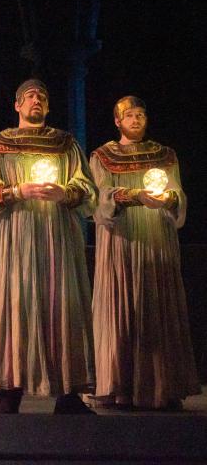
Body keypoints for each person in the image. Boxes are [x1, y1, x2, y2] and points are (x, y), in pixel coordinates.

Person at [0, 79, 97, 414]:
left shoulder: (65, 145)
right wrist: (15, 192)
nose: (36, 99)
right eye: (29, 96)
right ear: (17, 106)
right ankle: (9, 388)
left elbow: (87, 188)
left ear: (48, 106)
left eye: (42, 95)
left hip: (57, 237)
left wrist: (65, 193)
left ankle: (68, 391)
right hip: (13, 238)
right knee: (14, 305)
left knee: (60, 305)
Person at [90, 96, 201, 410]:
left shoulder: (164, 155)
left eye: (141, 114)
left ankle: (163, 387)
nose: (136, 119)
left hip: (156, 237)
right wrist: (135, 195)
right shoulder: (103, 156)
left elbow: (177, 192)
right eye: (129, 115)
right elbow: (101, 197)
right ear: (117, 121)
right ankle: (119, 386)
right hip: (122, 239)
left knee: (157, 303)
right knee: (123, 306)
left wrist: (168, 199)